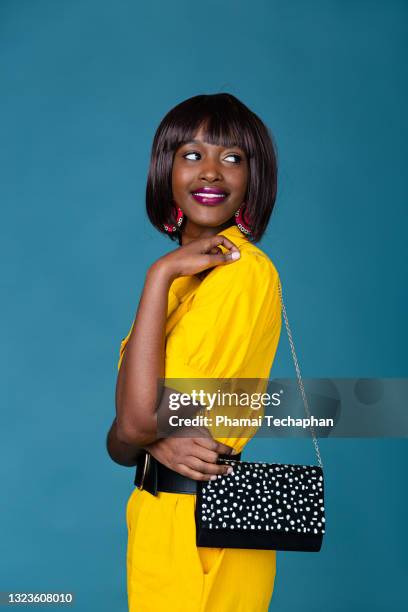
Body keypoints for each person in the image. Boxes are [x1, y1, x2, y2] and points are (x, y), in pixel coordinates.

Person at [106, 93, 282, 611]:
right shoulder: (178, 282)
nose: (211, 172)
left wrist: (142, 431)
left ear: (254, 178)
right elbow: (121, 444)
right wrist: (162, 278)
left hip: (206, 523)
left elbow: (135, 425)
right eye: (191, 154)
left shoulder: (244, 274)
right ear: (166, 169)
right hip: (158, 517)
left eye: (232, 158)